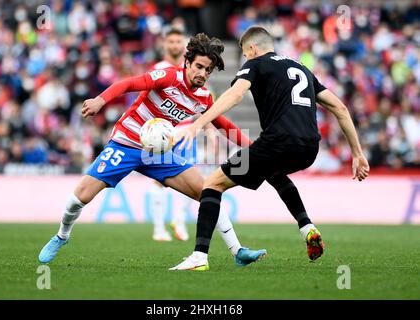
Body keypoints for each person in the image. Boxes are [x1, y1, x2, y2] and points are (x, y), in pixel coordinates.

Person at [38, 33, 267, 268]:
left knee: (208, 192)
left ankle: (237, 251)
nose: (202, 74)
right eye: (199, 66)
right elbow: (128, 83)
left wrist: (259, 149)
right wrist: (100, 100)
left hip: (157, 152)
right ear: (187, 62)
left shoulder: (203, 98)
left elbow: (225, 126)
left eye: (208, 70)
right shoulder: (168, 76)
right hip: (127, 143)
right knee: (80, 197)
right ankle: (61, 236)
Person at [170, 26, 370, 271]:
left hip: (278, 141)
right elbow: (340, 108)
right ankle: (307, 226)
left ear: (252, 48)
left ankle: (199, 256)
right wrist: (358, 154)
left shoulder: (256, 64)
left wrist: (198, 124)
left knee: (212, 184)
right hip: (308, 148)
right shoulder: (303, 69)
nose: (245, 58)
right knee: (273, 171)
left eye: (245, 53)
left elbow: (235, 94)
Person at [149, 28, 191, 242]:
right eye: (171, 41)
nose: (175, 45)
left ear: (183, 44)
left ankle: (179, 219)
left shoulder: (190, 69)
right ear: (164, 44)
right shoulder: (158, 69)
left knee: (192, 177)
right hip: (164, 131)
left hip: (188, 130)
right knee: (159, 179)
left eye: (178, 41)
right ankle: (158, 229)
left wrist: (210, 130)